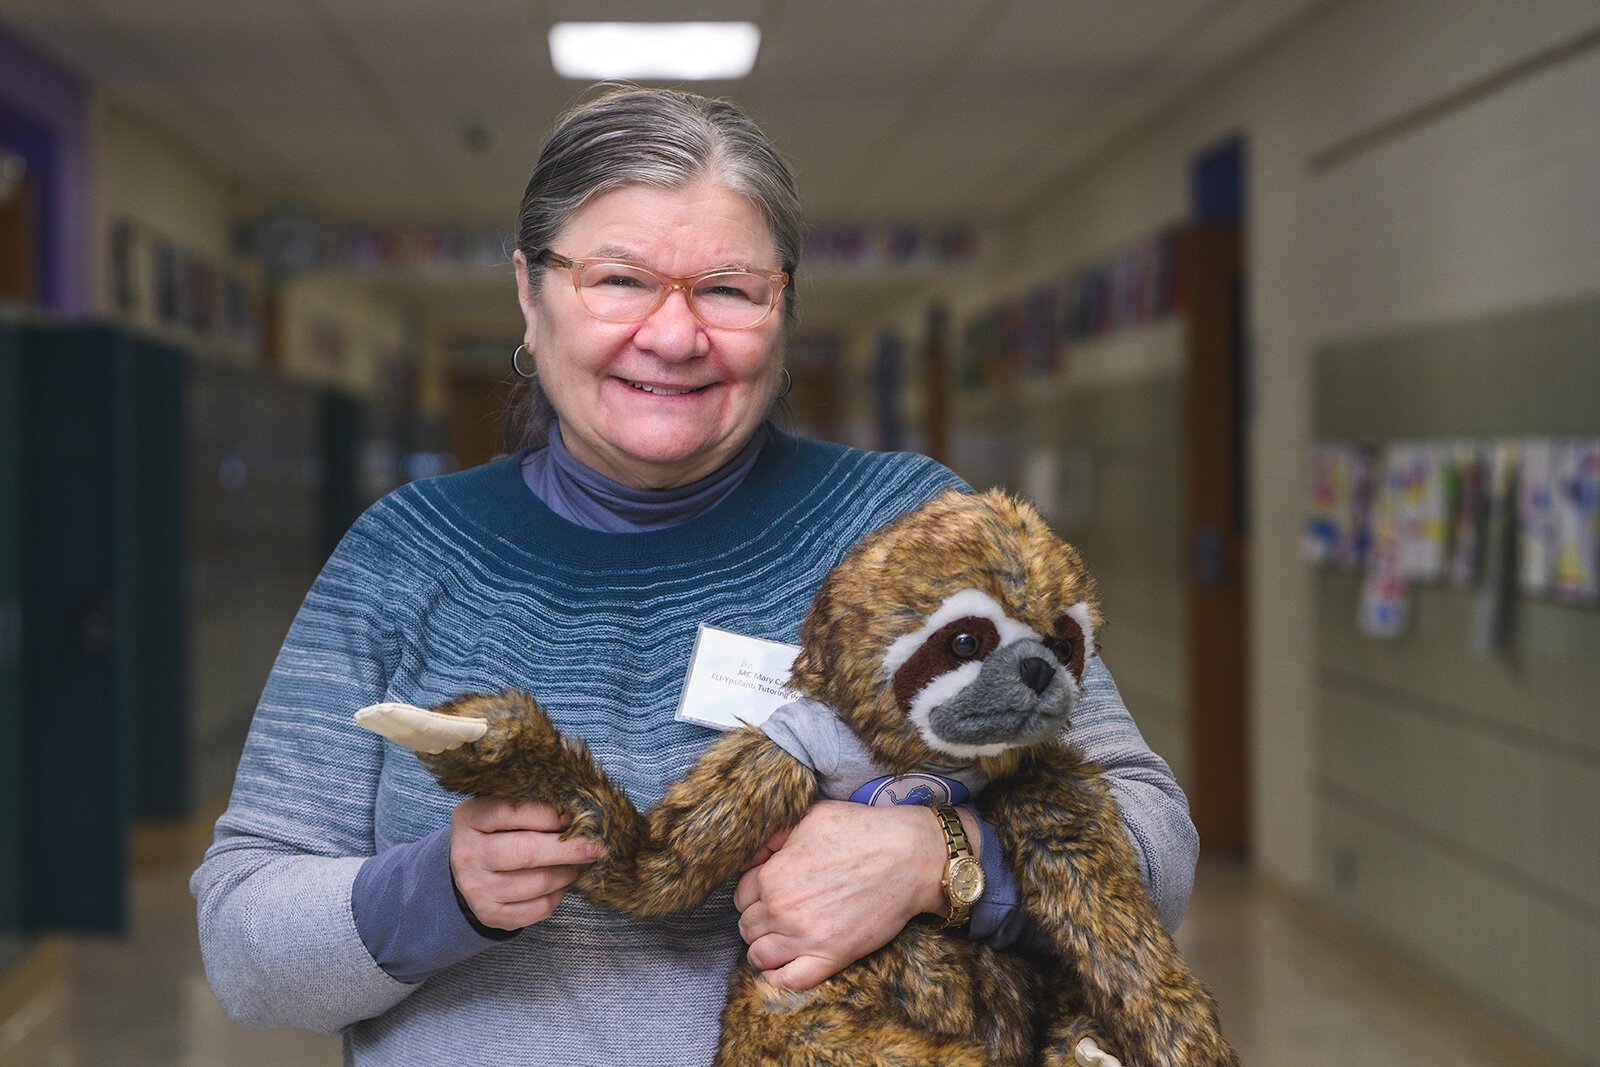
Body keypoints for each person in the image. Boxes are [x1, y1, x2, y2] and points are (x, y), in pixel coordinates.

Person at [191, 86, 1197, 1066]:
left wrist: (938, 860)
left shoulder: (920, 528)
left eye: (726, 288)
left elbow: (1154, 835)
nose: (673, 337)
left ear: (784, 304)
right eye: (619, 279)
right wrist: (439, 889)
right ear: (529, 293)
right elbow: (242, 939)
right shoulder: (405, 553)